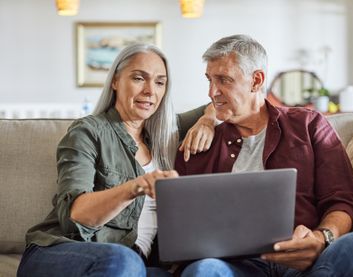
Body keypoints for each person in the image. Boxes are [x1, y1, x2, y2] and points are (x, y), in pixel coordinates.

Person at [175, 35, 353, 276]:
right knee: (204, 270)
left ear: (256, 80)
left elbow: (342, 200)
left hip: (309, 264)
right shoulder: (198, 145)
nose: (211, 92)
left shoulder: (308, 125)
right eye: (209, 80)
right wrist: (207, 118)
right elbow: (182, 227)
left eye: (223, 80)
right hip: (237, 267)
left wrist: (322, 238)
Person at [17, 43, 216, 277]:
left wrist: (207, 120)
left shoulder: (167, 133)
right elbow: (76, 216)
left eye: (160, 82)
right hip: (64, 251)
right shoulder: (87, 132)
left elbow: (220, 104)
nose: (150, 91)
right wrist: (136, 187)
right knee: (123, 259)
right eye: (139, 78)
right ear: (115, 81)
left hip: (134, 264)